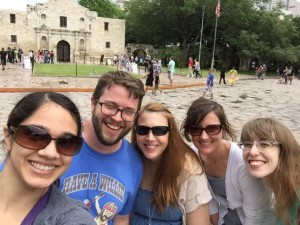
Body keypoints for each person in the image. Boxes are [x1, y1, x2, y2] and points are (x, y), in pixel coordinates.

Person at [59, 71, 146, 225]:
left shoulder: (135, 163)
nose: (117, 118)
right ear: (93, 103)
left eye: (128, 112)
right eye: (110, 106)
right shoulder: (58, 143)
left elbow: (121, 218)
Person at [0, 92, 96, 225]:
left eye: (66, 142)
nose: (50, 153)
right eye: (35, 135)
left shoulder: (72, 217)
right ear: (9, 137)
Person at [181, 98, 275, 225]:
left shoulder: (242, 162)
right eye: (196, 129)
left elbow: (255, 216)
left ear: (223, 130)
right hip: (223, 217)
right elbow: (207, 199)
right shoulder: (193, 156)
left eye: (212, 128)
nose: (204, 136)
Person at [130, 103, 212, 225]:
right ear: (135, 132)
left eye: (159, 131)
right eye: (143, 130)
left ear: (170, 134)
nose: (150, 138)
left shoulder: (188, 171)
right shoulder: (129, 162)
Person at [239, 117, 300, 225]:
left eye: (264, 144)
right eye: (247, 144)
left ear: (283, 150)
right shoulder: (280, 184)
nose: (253, 152)